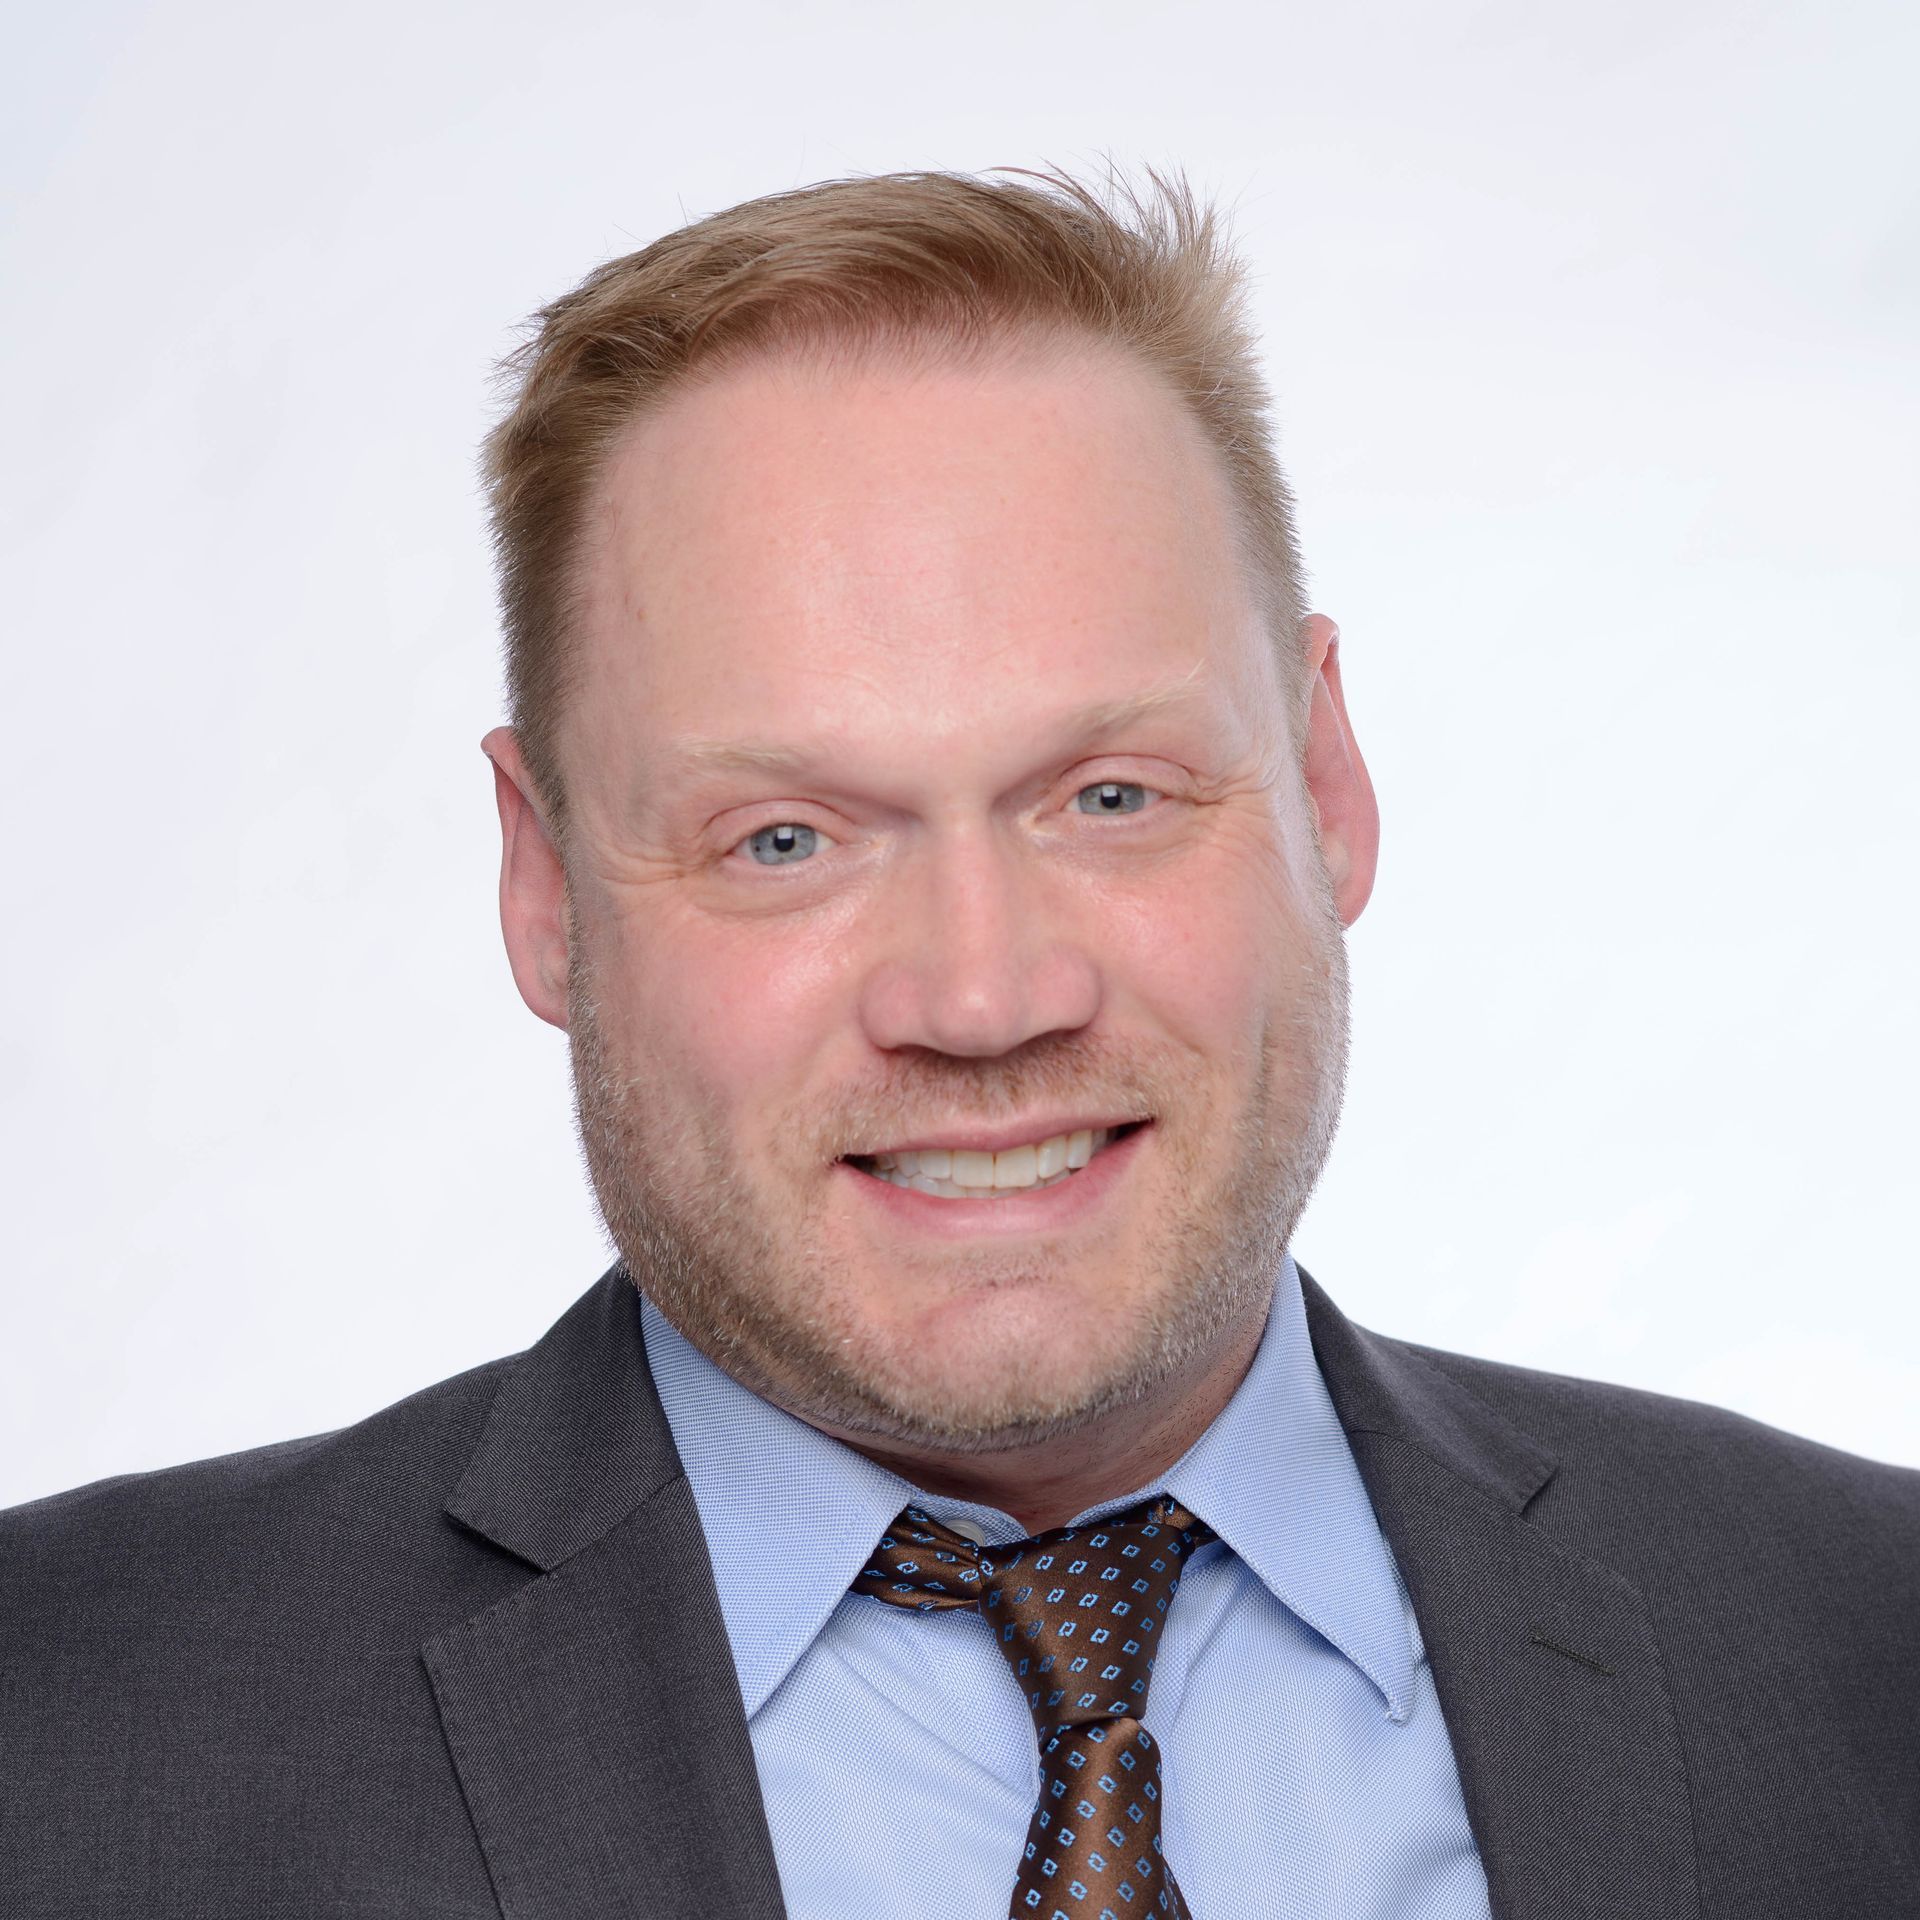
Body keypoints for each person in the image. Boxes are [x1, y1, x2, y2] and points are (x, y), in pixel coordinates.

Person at [3, 168, 1915, 1920]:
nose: (985, 1001)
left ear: (1327, 783)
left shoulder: (1862, 1641)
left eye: (1108, 796)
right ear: (547, 892)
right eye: (785, 839)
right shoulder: (67, 1748)